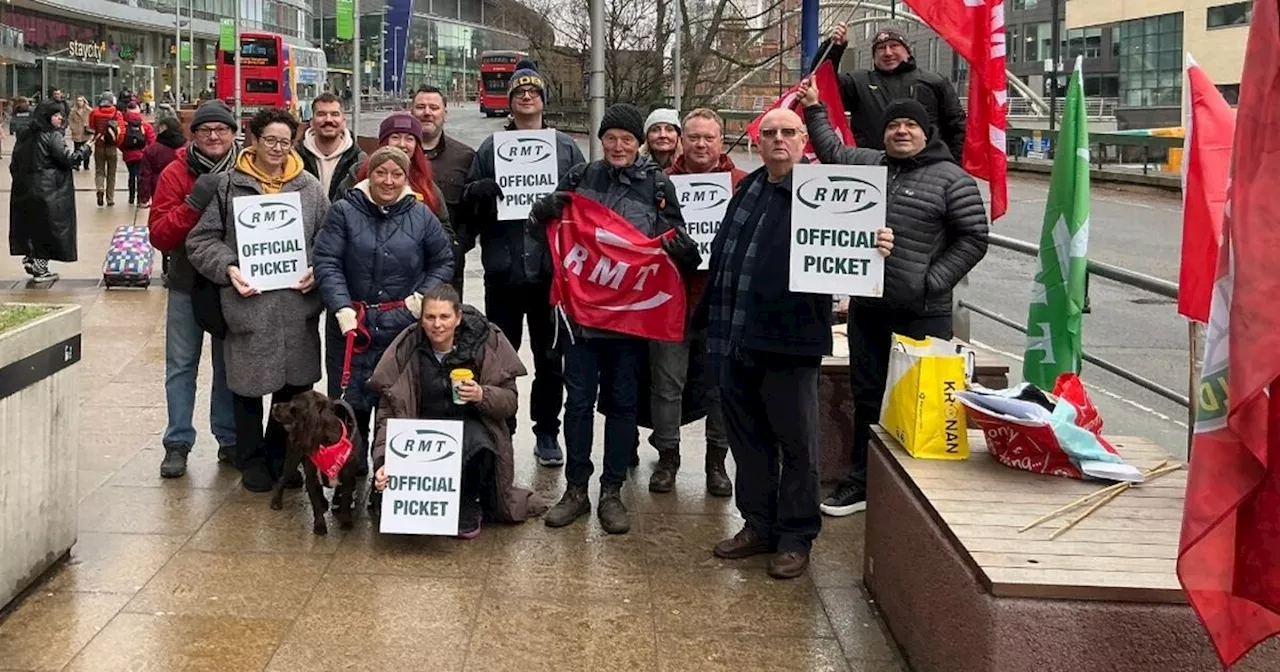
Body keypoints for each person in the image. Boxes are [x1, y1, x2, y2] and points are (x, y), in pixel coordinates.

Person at [702, 106, 894, 580]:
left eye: (788, 132)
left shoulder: (823, 194)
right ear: (757, 141)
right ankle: (759, 525)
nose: (778, 140)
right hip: (734, 338)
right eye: (769, 133)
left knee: (798, 447)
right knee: (749, 444)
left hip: (789, 341)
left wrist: (875, 243)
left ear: (804, 139)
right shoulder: (746, 189)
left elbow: (848, 247)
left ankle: (796, 536)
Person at [800, 83, 990, 517]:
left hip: (924, 312)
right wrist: (814, 108)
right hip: (870, 309)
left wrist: (931, 280)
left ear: (927, 133)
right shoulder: (869, 167)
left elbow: (974, 237)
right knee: (868, 399)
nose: (901, 131)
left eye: (910, 125)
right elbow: (831, 150)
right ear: (882, 133)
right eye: (893, 125)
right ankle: (860, 481)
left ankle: (918, 496)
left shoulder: (952, 179)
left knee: (921, 401)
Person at [532, 103, 699, 535]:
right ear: (601, 141)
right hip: (581, 317)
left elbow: (674, 238)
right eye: (612, 138)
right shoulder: (581, 177)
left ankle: (611, 492)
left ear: (637, 142)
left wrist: (682, 248)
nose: (619, 146)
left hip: (629, 319)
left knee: (623, 404)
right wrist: (541, 212)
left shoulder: (657, 183)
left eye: (627, 138)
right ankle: (575, 489)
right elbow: (549, 231)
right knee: (580, 403)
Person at [185, 108, 328, 493]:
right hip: (248, 306)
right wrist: (229, 267)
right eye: (270, 140)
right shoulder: (229, 186)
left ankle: (281, 457)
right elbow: (200, 241)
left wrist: (316, 268)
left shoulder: (310, 188)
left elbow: (327, 240)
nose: (278, 148)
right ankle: (251, 460)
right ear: (253, 140)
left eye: (285, 141)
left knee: (292, 391)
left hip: (297, 308)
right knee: (247, 390)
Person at [463, 60, 584, 467]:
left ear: (543, 100)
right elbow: (471, 212)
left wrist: (561, 206)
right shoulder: (489, 150)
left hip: (551, 275)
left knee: (551, 358)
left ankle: (547, 430)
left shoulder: (566, 148)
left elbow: (583, 209)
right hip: (504, 271)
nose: (526, 97)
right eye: (518, 93)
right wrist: (478, 194)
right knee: (502, 357)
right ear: (510, 102)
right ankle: (502, 427)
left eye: (533, 91)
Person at [314, 146, 455, 469]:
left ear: (406, 178)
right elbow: (327, 260)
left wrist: (418, 300)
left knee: (396, 402)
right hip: (352, 324)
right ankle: (351, 473)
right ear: (369, 174)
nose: (388, 181)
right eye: (381, 172)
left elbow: (443, 260)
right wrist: (341, 307)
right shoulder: (343, 211)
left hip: (401, 323)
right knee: (349, 404)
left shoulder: (421, 215)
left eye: (396, 174)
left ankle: (389, 475)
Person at [369, 285, 547, 536]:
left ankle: (468, 500)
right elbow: (390, 412)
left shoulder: (485, 343)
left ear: (458, 318)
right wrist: (384, 461)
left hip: (470, 428)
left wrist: (482, 395)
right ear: (421, 319)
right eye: (430, 317)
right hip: (422, 430)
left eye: (444, 317)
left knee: (482, 445)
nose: (437, 325)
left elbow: (509, 402)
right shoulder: (407, 348)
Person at [646, 107, 748, 498]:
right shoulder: (659, 183)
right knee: (666, 384)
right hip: (671, 301)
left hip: (721, 301)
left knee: (720, 387)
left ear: (721, 140)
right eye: (693, 137)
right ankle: (668, 457)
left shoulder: (740, 183)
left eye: (708, 137)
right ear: (681, 141)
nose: (701, 144)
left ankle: (716, 462)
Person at [148, 101, 240, 478]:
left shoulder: (247, 170)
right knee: (181, 366)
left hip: (230, 285)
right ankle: (177, 441)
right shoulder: (175, 172)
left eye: (221, 129)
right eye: (206, 131)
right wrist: (194, 202)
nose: (214, 136)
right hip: (187, 283)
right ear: (194, 136)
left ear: (234, 133)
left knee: (228, 366)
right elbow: (159, 234)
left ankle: (229, 438)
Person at [816, 23, 967, 161]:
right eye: (881, 48)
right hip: (873, 167)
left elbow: (957, 127)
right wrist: (834, 48)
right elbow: (822, 82)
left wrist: (953, 164)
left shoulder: (934, 82)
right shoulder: (858, 82)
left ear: (908, 51)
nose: (888, 53)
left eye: (894, 45)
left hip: (926, 168)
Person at [8, 101, 91, 283]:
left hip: (24, 189)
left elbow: (13, 164)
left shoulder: (25, 135)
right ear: (47, 116)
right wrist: (85, 149)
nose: (60, 118)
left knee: (30, 226)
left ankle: (31, 259)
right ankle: (40, 267)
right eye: (56, 115)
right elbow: (69, 160)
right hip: (49, 190)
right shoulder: (52, 136)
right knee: (48, 229)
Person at [412, 84, 475, 296]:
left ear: (444, 114)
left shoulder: (465, 157)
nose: (427, 113)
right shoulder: (396, 156)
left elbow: (473, 212)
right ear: (411, 112)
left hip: (448, 267)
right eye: (420, 107)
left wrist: (459, 246)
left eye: (433, 107)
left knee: (444, 327)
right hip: (401, 267)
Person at [297, 92, 365, 201]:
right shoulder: (295, 159)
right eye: (321, 114)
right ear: (311, 121)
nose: (328, 120)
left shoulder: (360, 160)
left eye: (335, 114)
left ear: (343, 121)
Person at [139, 115, 185, 208]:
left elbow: (145, 175)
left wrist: (144, 197)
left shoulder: (152, 149)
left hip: (158, 188)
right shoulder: (187, 147)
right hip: (182, 187)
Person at [88, 93, 125, 207]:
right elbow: (121, 130)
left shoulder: (95, 112)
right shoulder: (117, 113)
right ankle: (110, 198)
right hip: (111, 147)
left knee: (99, 170)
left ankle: (100, 188)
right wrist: (117, 143)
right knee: (111, 173)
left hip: (99, 145)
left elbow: (92, 126)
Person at [119, 103, 156, 206]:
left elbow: (120, 141)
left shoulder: (125, 125)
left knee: (131, 175)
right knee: (141, 177)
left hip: (128, 156)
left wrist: (124, 151)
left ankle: (131, 197)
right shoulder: (145, 125)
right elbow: (152, 141)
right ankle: (140, 198)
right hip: (141, 155)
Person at [67, 96, 92, 171]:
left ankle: (86, 165)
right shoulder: (73, 111)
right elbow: (70, 120)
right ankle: (77, 164)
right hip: (76, 132)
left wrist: (90, 127)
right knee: (77, 149)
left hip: (86, 132)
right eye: (78, 100)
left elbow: (92, 119)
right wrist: (73, 128)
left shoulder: (89, 110)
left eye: (81, 101)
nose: (79, 102)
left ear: (84, 102)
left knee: (86, 149)